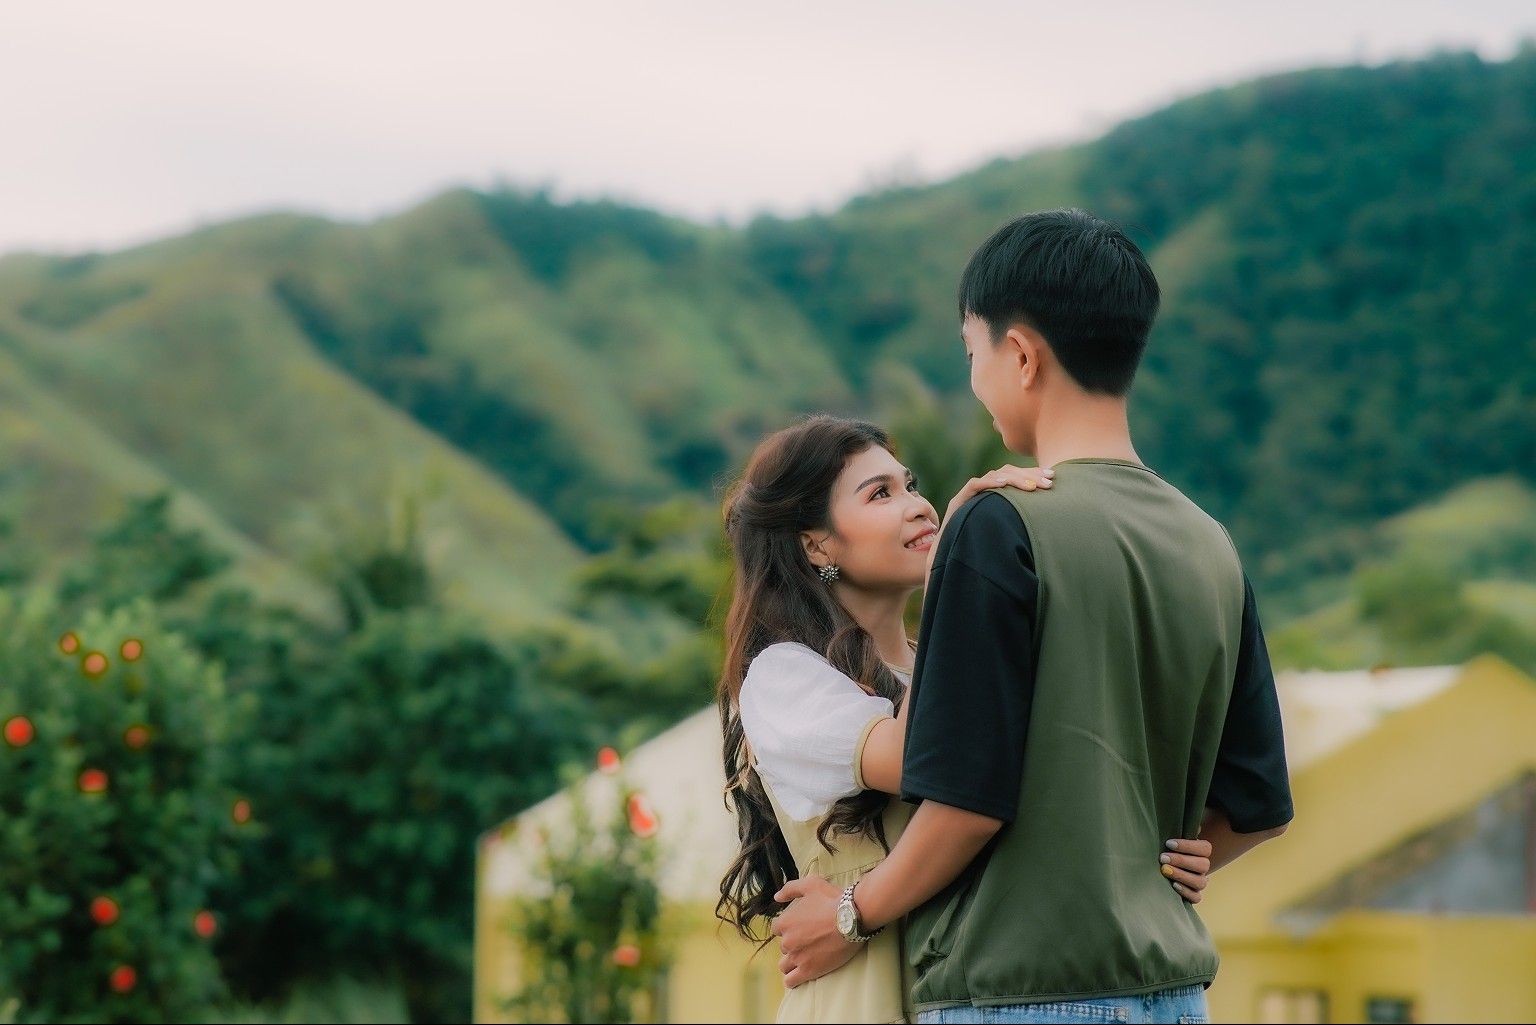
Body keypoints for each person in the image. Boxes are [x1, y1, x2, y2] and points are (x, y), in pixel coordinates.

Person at [770, 210, 1294, 1025]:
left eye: (971, 354)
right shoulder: (1208, 541)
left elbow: (967, 797)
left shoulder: (1000, 524)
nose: (975, 381)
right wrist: (1169, 865)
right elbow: (1257, 802)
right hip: (1176, 995)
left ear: (1020, 354)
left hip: (1018, 993)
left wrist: (851, 912)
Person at [716, 414, 1214, 1024]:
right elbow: (926, 759)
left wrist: (1174, 854)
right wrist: (961, 573)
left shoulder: (941, 667)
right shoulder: (784, 676)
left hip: (980, 989)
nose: (918, 506)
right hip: (864, 998)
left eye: (910, 485)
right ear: (817, 544)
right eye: (880, 494)